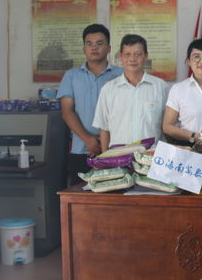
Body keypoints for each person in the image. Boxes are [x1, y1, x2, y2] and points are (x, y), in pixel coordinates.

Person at [57, 24, 123, 185]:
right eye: (89, 44)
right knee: (81, 195)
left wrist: (105, 141)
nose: (94, 47)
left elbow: (126, 111)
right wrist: (88, 139)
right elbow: (67, 111)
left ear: (108, 48)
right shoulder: (71, 76)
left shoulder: (121, 75)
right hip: (81, 149)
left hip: (116, 148)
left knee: (115, 195)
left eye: (99, 43)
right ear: (84, 49)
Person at [92, 34, 167, 151]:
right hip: (118, 157)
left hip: (151, 157)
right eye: (127, 54)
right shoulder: (108, 89)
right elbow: (104, 128)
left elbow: (167, 126)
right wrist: (105, 157)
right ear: (121, 56)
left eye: (137, 54)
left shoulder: (160, 87)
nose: (132, 59)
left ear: (146, 56)